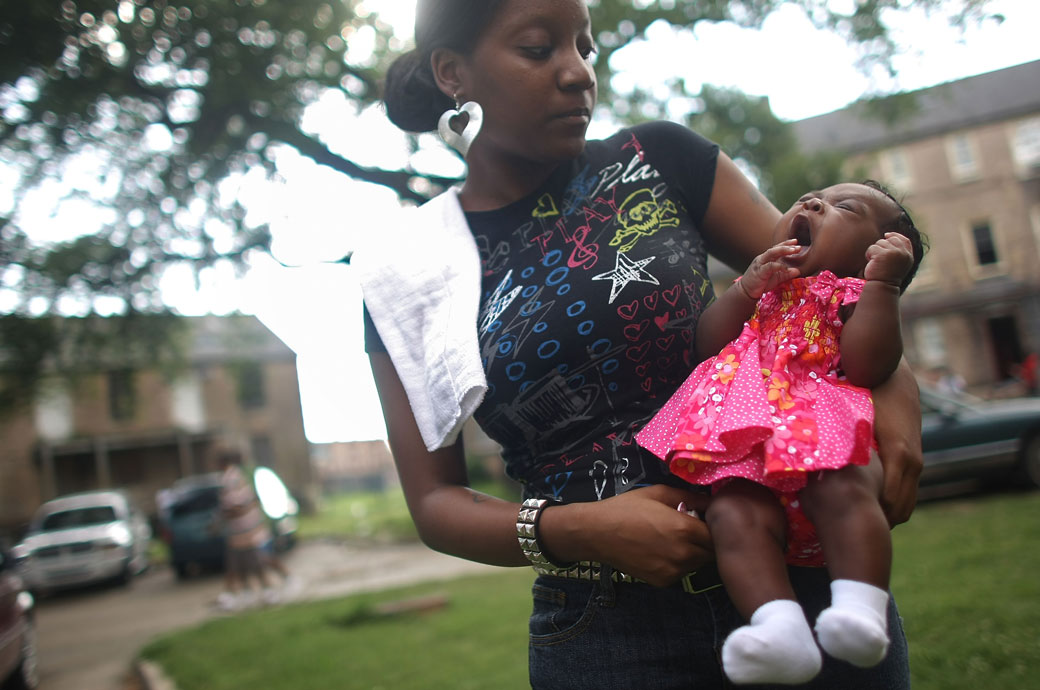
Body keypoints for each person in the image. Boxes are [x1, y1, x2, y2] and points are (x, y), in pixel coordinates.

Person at [356, 1, 923, 687]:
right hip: (608, 629)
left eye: (584, 47)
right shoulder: (409, 273)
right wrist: (582, 528)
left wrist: (895, 401)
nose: (577, 73)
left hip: (803, 578)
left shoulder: (658, 159)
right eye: (539, 49)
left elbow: (826, 289)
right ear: (453, 72)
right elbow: (436, 506)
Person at [635, 182, 926, 684]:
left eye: (846, 208)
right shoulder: (763, 293)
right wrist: (744, 289)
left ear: (875, 253)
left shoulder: (855, 294)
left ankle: (859, 609)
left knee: (844, 484)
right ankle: (779, 628)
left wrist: (883, 287)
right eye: (809, 198)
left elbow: (867, 365)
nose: (813, 204)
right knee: (733, 513)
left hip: (823, 435)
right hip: (753, 449)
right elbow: (708, 345)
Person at [214, 448, 298, 611]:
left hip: (247, 529)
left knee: (259, 560)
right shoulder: (238, 476)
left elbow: (239, 506)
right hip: (244, 530)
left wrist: (224, 515)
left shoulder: (233, 478)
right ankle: (246, 592)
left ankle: (274, 587)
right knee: (240, 563)